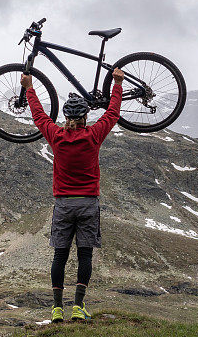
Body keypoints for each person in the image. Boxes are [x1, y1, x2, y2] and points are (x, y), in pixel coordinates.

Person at [21, 68, 124, 322]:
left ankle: (57, 309)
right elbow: (113, 113)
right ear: (85, 117)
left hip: (63, 205)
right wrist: (118, 83)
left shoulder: (56, 136)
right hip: (88, 203)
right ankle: (78, 307)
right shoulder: (93, 135)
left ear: (66, 116)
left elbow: (39, 115)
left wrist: (29, 88)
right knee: (85, 254)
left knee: (60, 255)